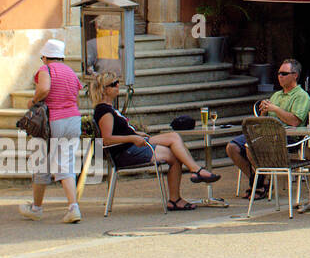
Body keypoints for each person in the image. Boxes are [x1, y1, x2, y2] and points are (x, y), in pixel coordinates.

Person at [90, 72, 219, 211]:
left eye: (117, 82)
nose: (118, 86)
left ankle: (192, 175)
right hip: (125, 151)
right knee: (174, 154)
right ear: (104, 90)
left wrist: (135, 133)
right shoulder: (104, 111)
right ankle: (187, 183)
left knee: (174, 138)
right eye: (114, 84)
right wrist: (132, 137)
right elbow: (107, 139)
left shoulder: (109, 109)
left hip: (133, 143)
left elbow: (118, 130)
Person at [18, 40, 84, 224]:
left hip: (53, 121)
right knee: (66, 163)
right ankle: (73, 207)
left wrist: (33, 101)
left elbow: (45, 88)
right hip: (73, 120)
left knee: (41, 163)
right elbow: (75, 97)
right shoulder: (70, 72)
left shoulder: (45, 70)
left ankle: (37, 208)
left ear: (45, 57)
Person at [226, 58, 310, 198]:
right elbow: (261, 122)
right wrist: (264, 112)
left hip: (287, 137)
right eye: (278, 73)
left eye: (284, 74)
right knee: (232, 147)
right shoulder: (276, 95)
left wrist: (275, 109)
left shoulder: (301, 96)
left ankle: (260, 183)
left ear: (295, 75)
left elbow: (295, 121)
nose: (280, 76)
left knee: (252, 146)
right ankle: (259, 180)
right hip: (266, 133)